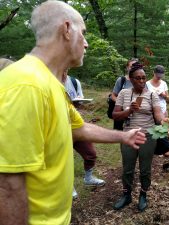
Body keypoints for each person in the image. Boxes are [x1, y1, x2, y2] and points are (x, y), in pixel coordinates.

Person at [0, 1, 146, 224]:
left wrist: (124, 136)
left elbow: (78, 128)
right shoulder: (27, 85)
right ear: (67, 29)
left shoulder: (49, 83)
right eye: (84, 33)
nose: (86, 44)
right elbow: (7, 184)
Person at [112, 62, 166, 212]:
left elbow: (157, 113)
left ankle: (143, 194)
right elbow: (115, 115)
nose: (142, 81)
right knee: (127, 167)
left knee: (145, 168)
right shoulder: (124, 93)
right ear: (131, 79)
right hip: (128, 135)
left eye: (143, 78)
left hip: (147, 135)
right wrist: (129, 111)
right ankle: (126, 194)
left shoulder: (152, 94)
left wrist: (163, 121)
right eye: (138, 78)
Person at [62, 72, 105, 199]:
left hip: (77, 124)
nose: (65, 71)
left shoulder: (74, 82)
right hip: (60, 127)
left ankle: (89, 177)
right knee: (64, 159)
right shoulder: (49, 81)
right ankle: (68, 187)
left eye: (67, 68)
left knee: (90, 153)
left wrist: (78, 103)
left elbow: (80, 100)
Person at [146, 65, 169, 157]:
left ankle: (165, 149)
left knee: (163, 129)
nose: (159, 77)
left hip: (163, 109)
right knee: (153, 130)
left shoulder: (164, 84)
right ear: (154, 73)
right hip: (151, 110)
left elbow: (168, 98)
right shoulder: (147, 84)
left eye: (161, 76)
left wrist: (163, 95)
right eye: (157, 75)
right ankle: (154, 149)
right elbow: (144, 97)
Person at [110, 58, 138, 130]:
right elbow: (113, 95)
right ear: (127, 67)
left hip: (135, 113)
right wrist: (121, 103)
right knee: (119, 133)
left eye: (135, 66)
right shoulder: (122, 80)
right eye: (131, 66)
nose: (133, 68)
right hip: (121, 112)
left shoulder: (141, 80)